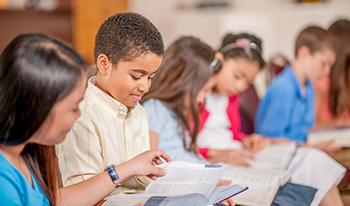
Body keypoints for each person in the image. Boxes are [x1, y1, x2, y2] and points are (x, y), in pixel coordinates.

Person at [0, 32, 171, 206]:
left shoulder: (26, 156)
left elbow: (56, 202)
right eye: (73, 108)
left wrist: (130, 168)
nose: (79, 115)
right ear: (37, 105)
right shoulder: (4, 176)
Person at [196, 32, 345, 206]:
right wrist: (218, 154)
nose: (240, 86)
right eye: (237, 76)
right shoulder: (200, 95)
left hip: (238, 153)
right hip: (219, 160)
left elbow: (232, 134)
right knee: (306, 163)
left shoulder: (230, 97)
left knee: (312, 159)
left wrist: (248, 139)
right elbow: (187, 145)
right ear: (220, 61)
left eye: (247, 82)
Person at [56, 12, 164, 195]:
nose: (145, 87)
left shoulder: (139, 113)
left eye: (151, 77)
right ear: (104, 64)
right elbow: (83, 196)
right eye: (136, 76)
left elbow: (143, 183)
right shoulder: (82, 116)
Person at [255, 26, 341, 155]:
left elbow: (306, 129)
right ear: (304, 54)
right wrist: (310, 147)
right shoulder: (283, 89)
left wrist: (339, 125)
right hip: (281, 155)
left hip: (299, 150)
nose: (327, 72)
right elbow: (269, 140)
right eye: (324, 64)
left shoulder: (308, 87)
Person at [141, 36, 222, 163]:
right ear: (183, 84)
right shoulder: (155, 108)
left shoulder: (178, 110)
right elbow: (149, 161)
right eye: (205, 89)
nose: (208, 94)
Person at [314, 19, 350, 129]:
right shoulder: (321, 80)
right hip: (328, 141)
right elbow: (313, 124)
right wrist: (342, 123)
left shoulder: (346, 78)